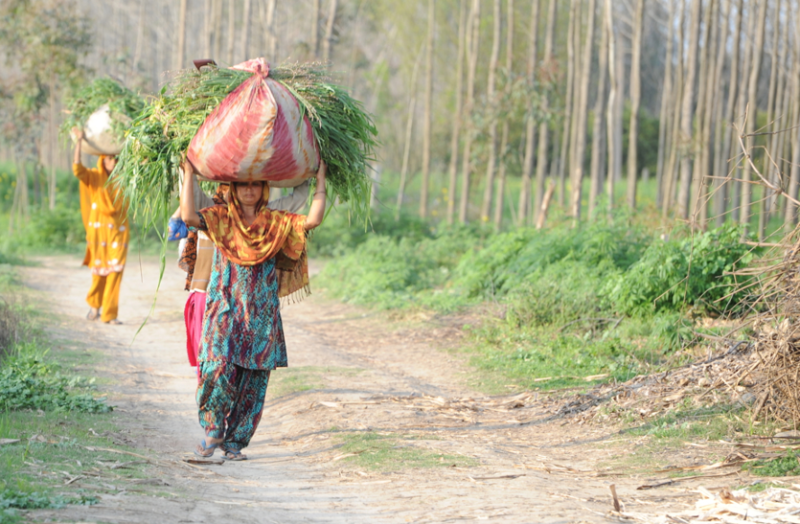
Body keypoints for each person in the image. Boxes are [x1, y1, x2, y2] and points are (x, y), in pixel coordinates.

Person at [180, 158, 326, 461]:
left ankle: (235, 444)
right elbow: (189, 217)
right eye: (243, 184)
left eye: (255, 184)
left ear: (264, 188)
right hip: (224, 309)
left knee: (253, 383)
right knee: (215, 366)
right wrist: (188, 174)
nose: (249, 190)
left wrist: (321, 179)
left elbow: (311, 220)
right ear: (233, 188)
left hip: (261, 316)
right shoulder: (220, 218)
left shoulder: (276, 222)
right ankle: (212, 432)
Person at [72, 128, 129, 325]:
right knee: (98, 272)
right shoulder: (94, 178)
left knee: (115, 272)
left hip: (119, 232)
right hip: (98, 233)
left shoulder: (124, 180)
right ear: (103, 160)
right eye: (111, 158)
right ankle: (95, 306)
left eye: (117, 158)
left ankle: (110, 314)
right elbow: (77, 168)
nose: (114, 162)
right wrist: (79, 141)